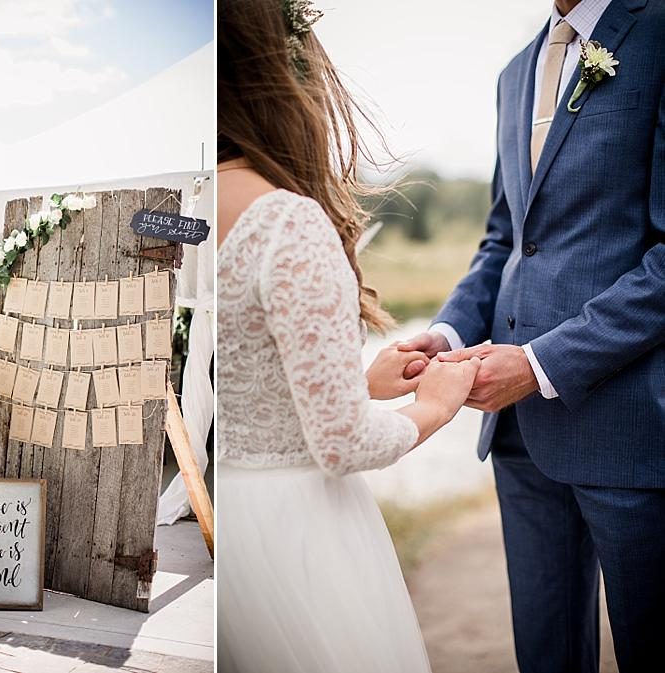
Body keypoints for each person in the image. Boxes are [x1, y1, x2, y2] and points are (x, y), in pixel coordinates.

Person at [400, 0, 665, 670]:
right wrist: (446, 329)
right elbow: (507, 239)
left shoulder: (660, 30)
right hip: (519, 435)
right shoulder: (516, 72)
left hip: (632, 433)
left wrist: (543, 362)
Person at [217, 1, 481, 670]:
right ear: (285, 73)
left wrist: (356, 381)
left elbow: (241, 389)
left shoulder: (179, 212)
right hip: (299, 537)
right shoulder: (284, 221)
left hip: (228, 523)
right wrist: (434, 406)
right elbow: (340, 444)